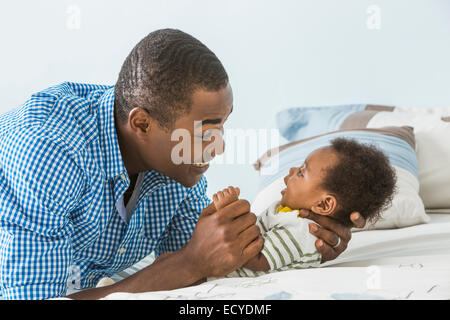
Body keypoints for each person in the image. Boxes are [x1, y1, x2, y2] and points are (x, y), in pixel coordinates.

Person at [0, 29, 366, 300]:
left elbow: (204, 268)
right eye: (205, 131)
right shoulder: (50, 152)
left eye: (223, 124)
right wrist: (191, 262)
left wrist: (301, 237)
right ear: (142, 123)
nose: (219, 147)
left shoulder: (178, 170)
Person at [211, 138, 396, 277]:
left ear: (324, 204)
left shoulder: (301, 231)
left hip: (225, 277)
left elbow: (255, 258)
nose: (290, 171)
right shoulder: (287, 213)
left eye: (301, 172)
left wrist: (228, 217)